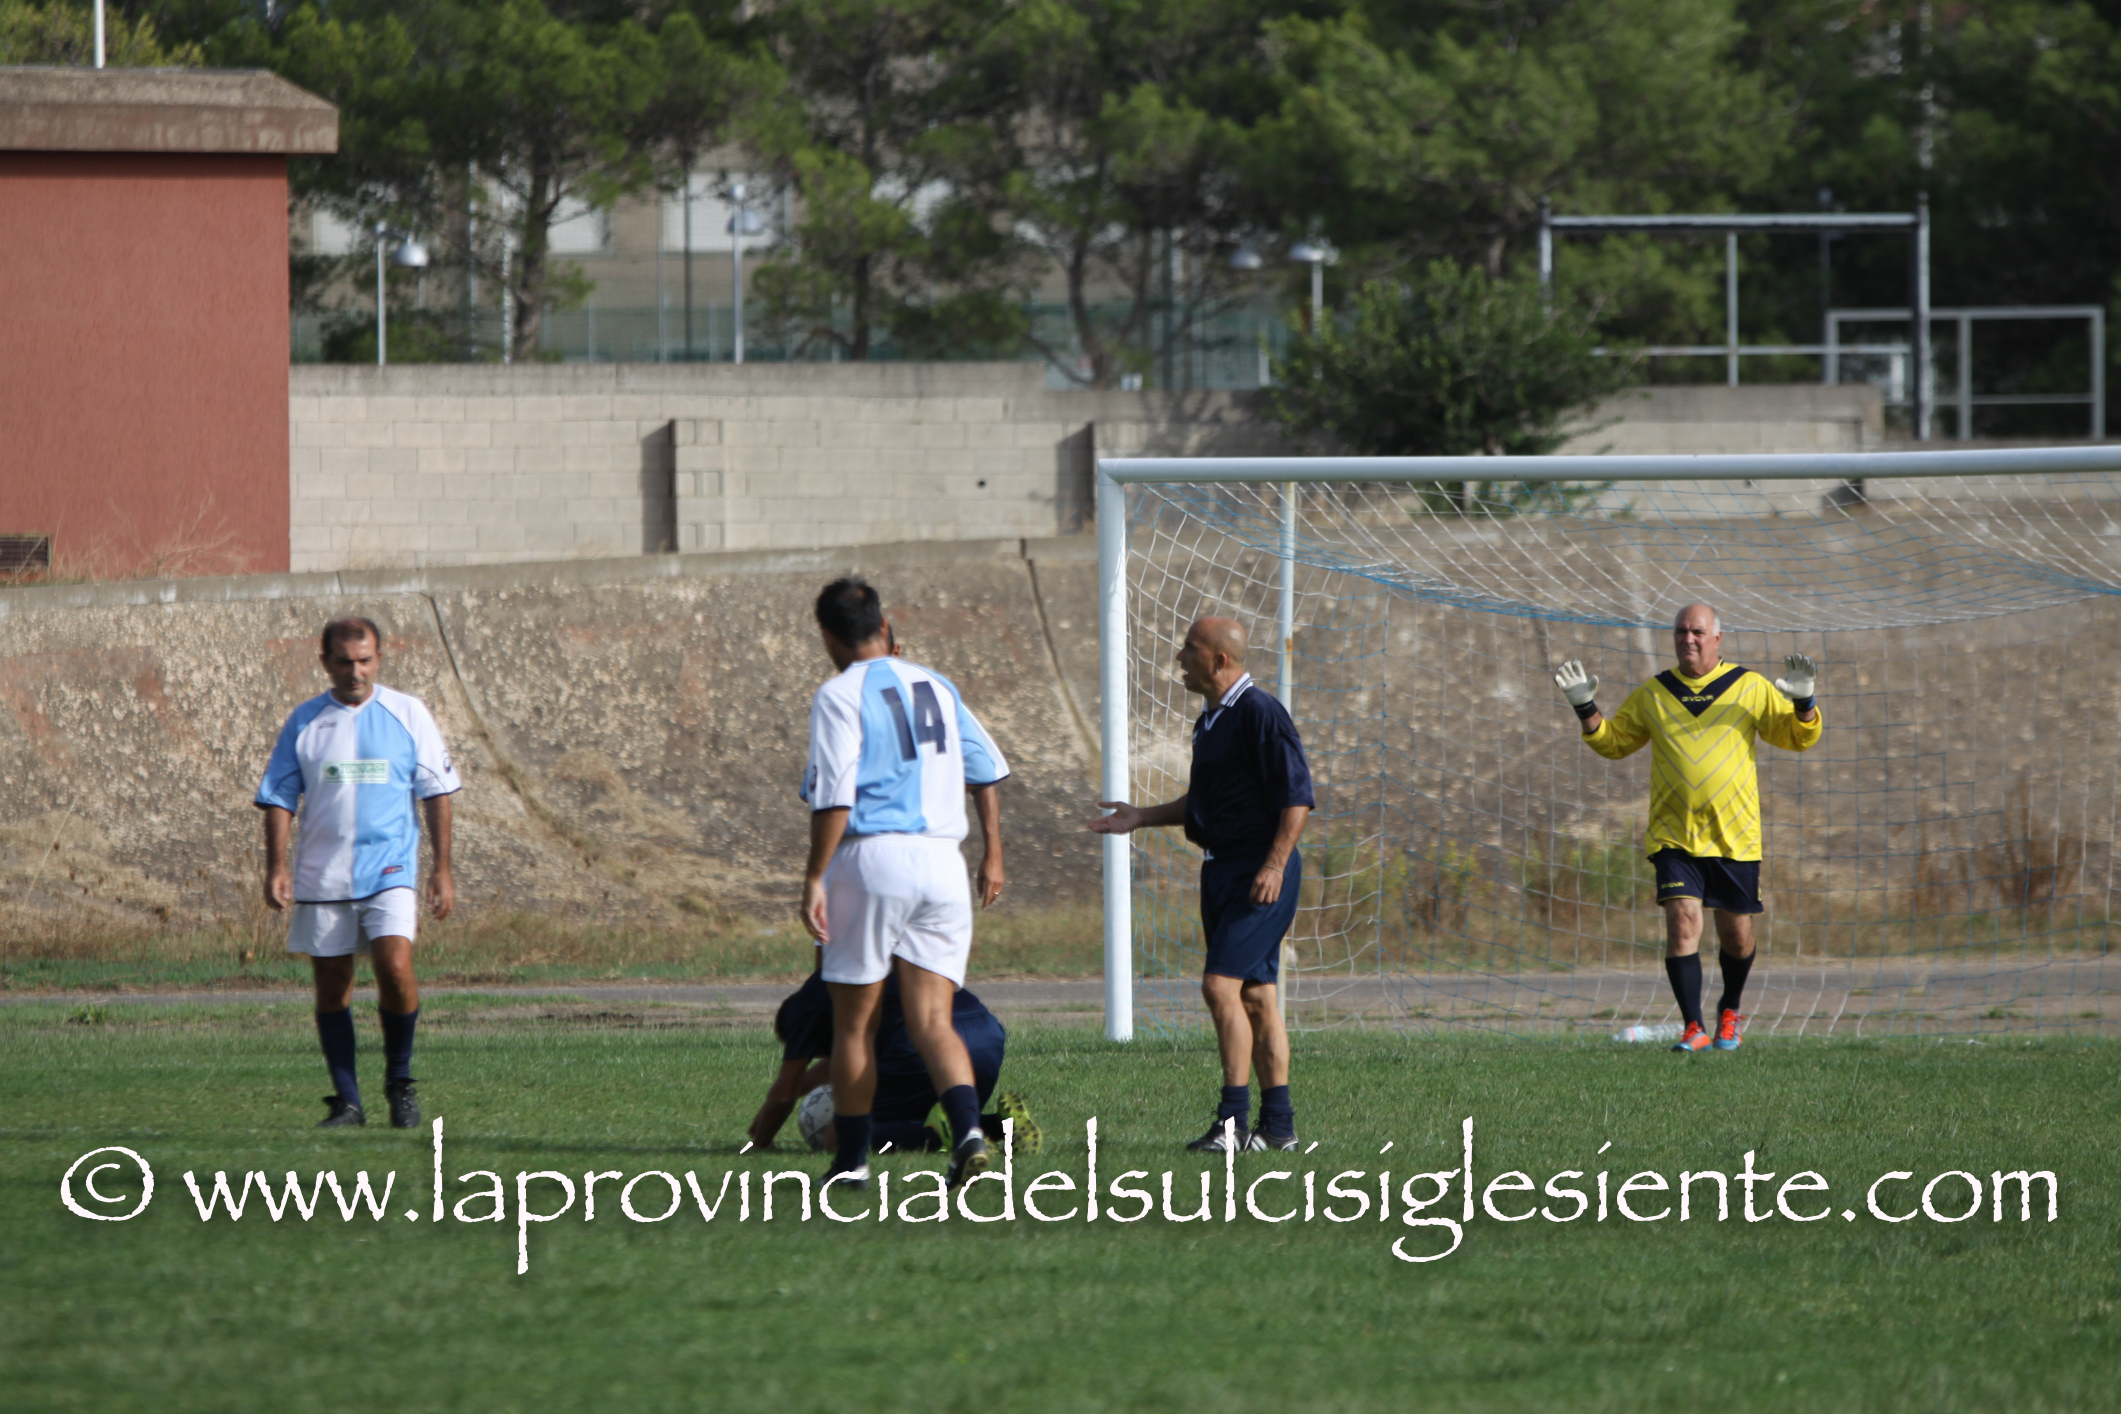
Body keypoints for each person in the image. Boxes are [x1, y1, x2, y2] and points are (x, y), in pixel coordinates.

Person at [800, 577, 1009, 1191]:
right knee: (934, 1020)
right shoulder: (937, 685)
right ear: (883, 625)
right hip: (943, 861)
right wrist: (993, 850)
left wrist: (814, 876)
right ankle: (968, 1134)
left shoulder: (839, 694)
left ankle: (851, 1164)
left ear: (828, 637)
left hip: (874, 858)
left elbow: (834, 797)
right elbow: (984, 766)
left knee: (855, 1024)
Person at [1552, 602, 1821, 1053]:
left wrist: (1804, 703)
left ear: (1717, 638)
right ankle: (1692, 1027)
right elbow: (1614, 743)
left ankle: (1730, 1009)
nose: (1688, 639)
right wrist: (1585, 707)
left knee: (1736, 936)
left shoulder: (1749, 686)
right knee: (1682, 923)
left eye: (1697, 631)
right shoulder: (1655, 692)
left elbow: (1798, 737)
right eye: (1681, 632)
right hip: (1673, 835)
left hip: (1735, 836)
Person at [1087, 617, 1313, 1152]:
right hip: (1222, 870)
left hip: (1259, 871)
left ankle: (1231, 1126)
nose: (1179, 656)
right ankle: (1279, 1130)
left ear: (1219, 660)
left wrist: (1274, 865)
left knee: (1219, 987)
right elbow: (1205, 802)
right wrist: (1140, 817)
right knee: (1256, 995)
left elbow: (1297, 797)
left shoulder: (1260, 712)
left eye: (1189, 648)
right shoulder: (1210, 721)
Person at [255, 617, 460, 1128]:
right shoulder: (305, 721)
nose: (356, 672)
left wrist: (442, 869)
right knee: (332, 985)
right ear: (325, 661)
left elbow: (436, 792)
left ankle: (400, 1082)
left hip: (390, 868)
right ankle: (348, 1102)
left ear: (379, 659)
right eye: (345, 662)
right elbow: (280, 796)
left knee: (395, 966)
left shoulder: (408, 713)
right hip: (323, 874)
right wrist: (276, 865)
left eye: (365, 661)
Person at [747, 969, 1039, 1156]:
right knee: (919, 1111)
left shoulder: (804, 1011)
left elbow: (784, 1092)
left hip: (922, 1039)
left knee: (840, 1138)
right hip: (984, 1033)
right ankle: (1000, 1126)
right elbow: (835, 1064)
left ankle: (942, 1137)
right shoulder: (856, 966)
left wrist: (760, 1141)